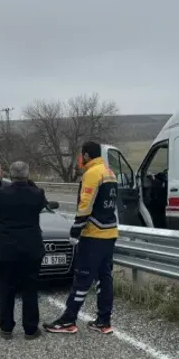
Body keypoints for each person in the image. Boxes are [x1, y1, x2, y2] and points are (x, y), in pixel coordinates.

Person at [44, 141, 119, 335]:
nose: (79, 159)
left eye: (81, 155)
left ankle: (68, 320)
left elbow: (85, 205)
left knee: (82, 278)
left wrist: (75, 231)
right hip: (110, 233)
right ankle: (104, 321)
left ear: (86, 156)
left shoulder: (92, 174)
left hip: (93, 235)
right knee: (105, 278)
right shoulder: (110, 173)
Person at [0, 161, 46, 340]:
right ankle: (31, 329)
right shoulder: (37, 194)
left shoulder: (2, 194)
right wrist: (29, 181)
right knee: (30, 289)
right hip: (31, 248)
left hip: (6, 248)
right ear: (27, 174)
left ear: (10, 175)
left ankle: (6, 328)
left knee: (5, 288)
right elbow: (42, 202)